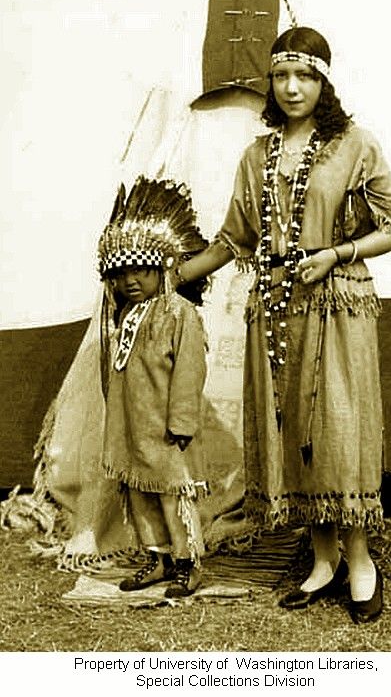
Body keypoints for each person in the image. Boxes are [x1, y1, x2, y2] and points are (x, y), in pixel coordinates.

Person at [172, 26, 391, 622]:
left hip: (338, 304)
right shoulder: (257, 157)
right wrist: (168, 275)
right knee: (292, 430)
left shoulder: (354, 144)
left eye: (304, 75)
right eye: (280, 75)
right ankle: (323, 562)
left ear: (323, 80)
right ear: (270, 84)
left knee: (337, 428)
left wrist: (338, 253)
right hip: (276, 310)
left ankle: (361, 563)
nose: (291, 87)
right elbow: (234, 238)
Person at [97, 175, 210, 597]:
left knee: (171, 496)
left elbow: (189, 372)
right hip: (131, 431)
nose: (130, 281)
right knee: (140, 496)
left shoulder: (179, 313)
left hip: (167, 433)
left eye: (140, 270)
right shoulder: (124, 316)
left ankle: (187, 563)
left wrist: (181, 422)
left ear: (162, 267)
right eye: (121, 273)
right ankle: (157, 558)